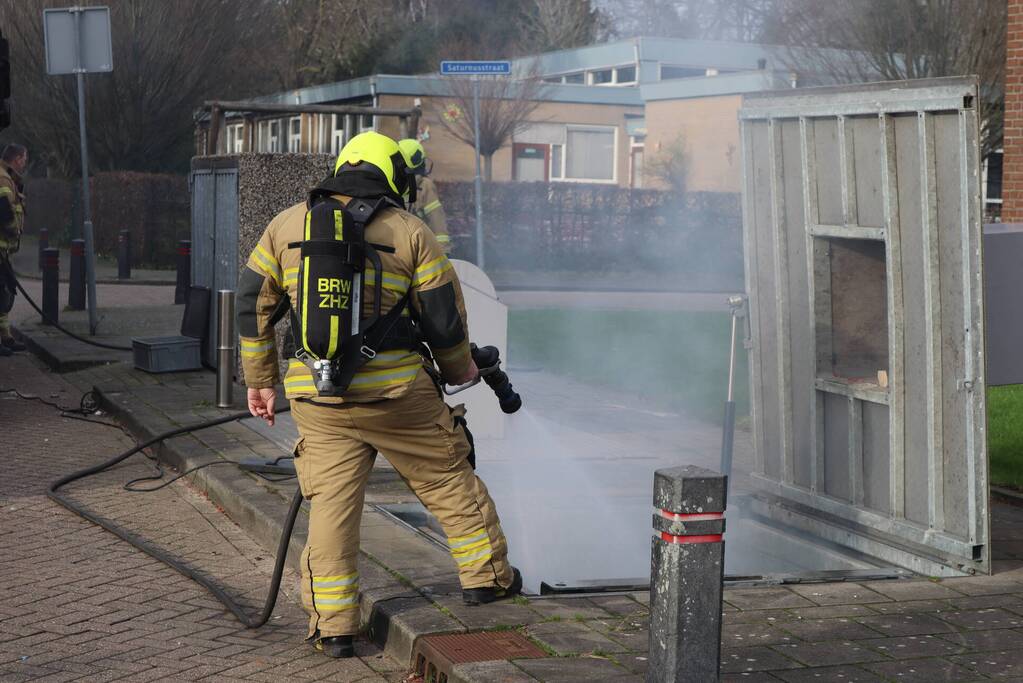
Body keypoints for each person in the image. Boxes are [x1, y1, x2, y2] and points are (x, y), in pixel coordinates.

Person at [237, 131, 520, 659]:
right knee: (447, 478)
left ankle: (334, 625)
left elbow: (251, 305)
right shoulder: (411, 231)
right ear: (393, 175)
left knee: (330, 507)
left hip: (317, 398)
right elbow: (444, 320)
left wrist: (260, 380)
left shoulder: (284, 225)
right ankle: (487, 578)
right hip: (397, 395)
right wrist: (461, 370)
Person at [398, 138, 451, 254]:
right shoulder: (425, 185)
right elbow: (437, 220)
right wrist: (444, 252)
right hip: (420, 252)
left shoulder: (390, 184)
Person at [0, 143, 27, 357]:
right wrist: (13, 233)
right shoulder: (3, 178)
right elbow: (5, 211)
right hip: (1, 246)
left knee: (5, 292)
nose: (25, 163)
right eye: (24, 158)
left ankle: (6, 337)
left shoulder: (9, 178)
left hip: (4, 249)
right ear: (17, 158)